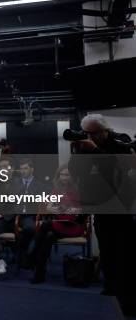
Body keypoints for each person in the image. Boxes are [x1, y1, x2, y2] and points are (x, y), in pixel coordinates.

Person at [68, 114, 136, 315]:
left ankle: (128, 298)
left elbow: (118, 171)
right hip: (99, 205)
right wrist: (79, 151)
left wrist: (96, 151)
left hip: (122, 206)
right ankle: (111, 287)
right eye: (86, 133)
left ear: (104, 130)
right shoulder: (84, 147)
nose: (89, 136)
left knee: (124, 252)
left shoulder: (121, 142)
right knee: (106, 249)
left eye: (93, 133)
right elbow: (74, 172)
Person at [29, 165, 85, 283]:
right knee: (47, 238)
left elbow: (79, 210)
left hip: (73, 225)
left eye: (67, 175)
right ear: (58, 176)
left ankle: (32, 256)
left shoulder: (77, 189)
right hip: (59, 224)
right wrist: (51, 208)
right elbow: (48, 205)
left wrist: (66, 209)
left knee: (45, 225)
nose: (64, 177)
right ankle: (39, 273)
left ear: (72, 176)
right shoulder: (56, 189)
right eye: (62, 175)